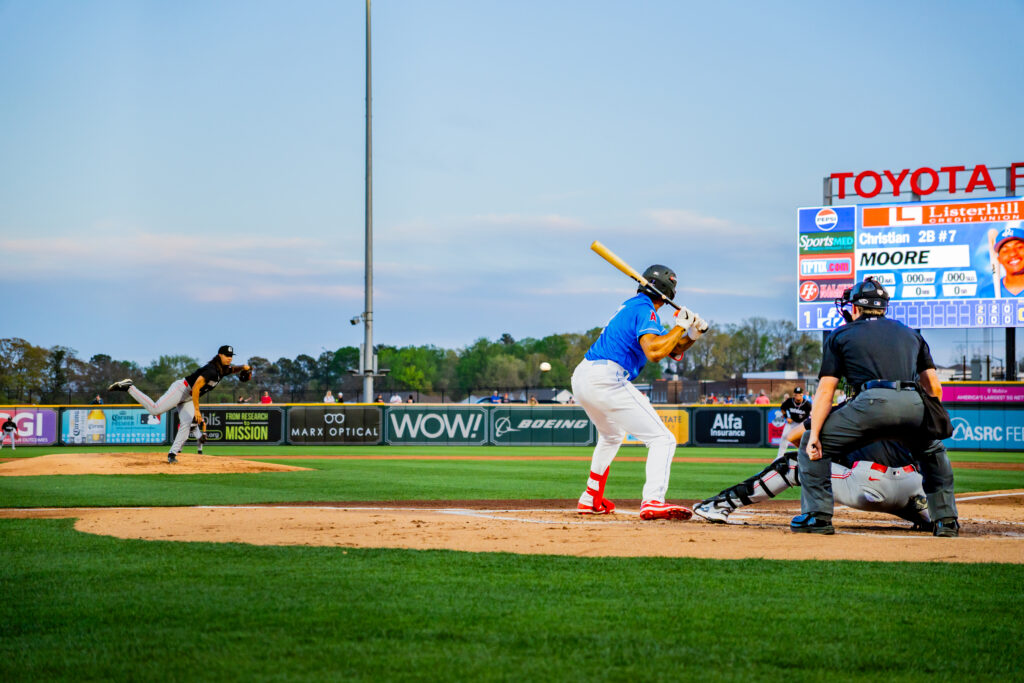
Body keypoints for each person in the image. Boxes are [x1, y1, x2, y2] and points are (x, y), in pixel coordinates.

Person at [792, 278, 959, 537]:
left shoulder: (841, 335)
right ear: (883, 308)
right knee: (933, 452)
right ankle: (946, 521)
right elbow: (934, 389)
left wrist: (814, 435)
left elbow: (826, 391)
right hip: (913, 401)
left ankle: (818, 517)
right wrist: (928, 424)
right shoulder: (912, 333)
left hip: (869, 404)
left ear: (855, 308)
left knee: (810, 446)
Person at [572, 263, 708, 520]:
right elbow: (655, 352)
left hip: (584, 376)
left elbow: (672, 349)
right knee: (663, 439)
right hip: (606, 377)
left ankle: (591, 497)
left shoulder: (634, 306)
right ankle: (653, 501)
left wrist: (692, 334)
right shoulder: (644, 308)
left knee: (612, 436)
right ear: (668, 293)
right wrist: (679, 326)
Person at [694, 420, 931, 530]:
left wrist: (827, 437)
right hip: (915, 483)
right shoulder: (908, 408)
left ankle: (718, 505)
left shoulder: (854, 408)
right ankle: (927, 515)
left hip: (870, 485)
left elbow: (796, 438)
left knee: (792, 464)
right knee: (909, 486)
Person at [107, 345, 251, 464]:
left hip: (188, 398)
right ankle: (129, 387)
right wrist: (197, 411)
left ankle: (172, 454)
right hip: (182, 389)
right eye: (227, 355)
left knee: (186, 424)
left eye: (231, 356)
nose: (229, 358)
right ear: (220, 355)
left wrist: (245, 367)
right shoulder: (211, 370)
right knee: (155, 410)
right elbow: (195, 388)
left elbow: (234, 369)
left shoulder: (223, 369)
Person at [980, 223, 1024, 297]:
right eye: (1005, 250)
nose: (1013, 254)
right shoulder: (987, 294)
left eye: (1019, 247)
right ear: (999, 259)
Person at [776, 387, 811, 458]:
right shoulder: (789, 401)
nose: (798, 395)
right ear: (794, 395)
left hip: (802, 423)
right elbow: (782, 408)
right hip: (792, 422)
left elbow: (812, 414)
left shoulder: (807, 404)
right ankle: (779, 457)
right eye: (796, 394)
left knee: (804, 440)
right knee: (784, 436)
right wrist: (786, 417)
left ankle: (806, 456)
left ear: (802, 394)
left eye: (799, 394)